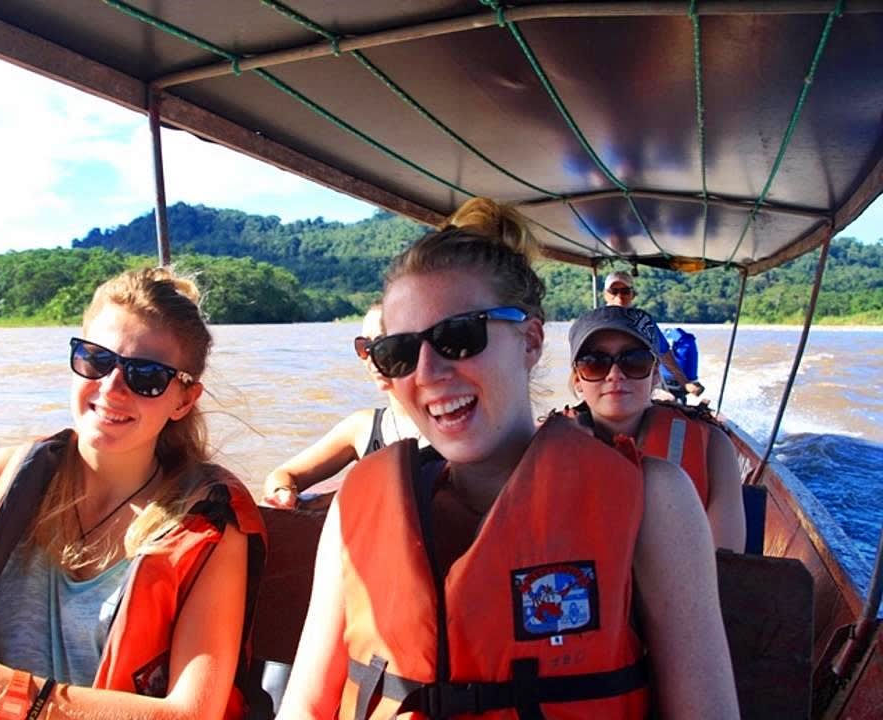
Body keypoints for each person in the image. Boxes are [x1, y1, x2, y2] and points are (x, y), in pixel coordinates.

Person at [278, 198, 739, 719]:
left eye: (459, 337)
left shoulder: (653, 499)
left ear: (531, 340)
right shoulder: (355, 507)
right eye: (400, 353)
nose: (426, 372)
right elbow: (304, 706)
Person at [0, 268, 266, 720]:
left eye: (146, 375)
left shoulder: (208, 522)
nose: (112, 388)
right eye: (96, 359)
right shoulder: (8, 478)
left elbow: (193, 713)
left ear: (183, 400)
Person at [566, 305, 746, 552]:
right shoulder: (537, 449)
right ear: (577, 379)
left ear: (654, 376)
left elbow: (726, 562)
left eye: (634, 361)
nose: (615, 374)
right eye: (595, 363)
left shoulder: (713, 447)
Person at [262, 304, 424, 509]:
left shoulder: (451, 426)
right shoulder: (361, 427)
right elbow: (282, 475)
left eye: (384, 344)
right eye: (363, 346)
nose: (372, 357)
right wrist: (283, 494)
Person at [603, 270, 705, 400]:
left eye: (625, 291)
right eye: (614, 291)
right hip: (606, 382)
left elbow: (663, 353)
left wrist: (685, 383)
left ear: (633, 294)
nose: (619, 296)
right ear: (606, 295)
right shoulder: (596, 322)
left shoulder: (643, 322)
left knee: (669, 400)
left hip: (636, 382)